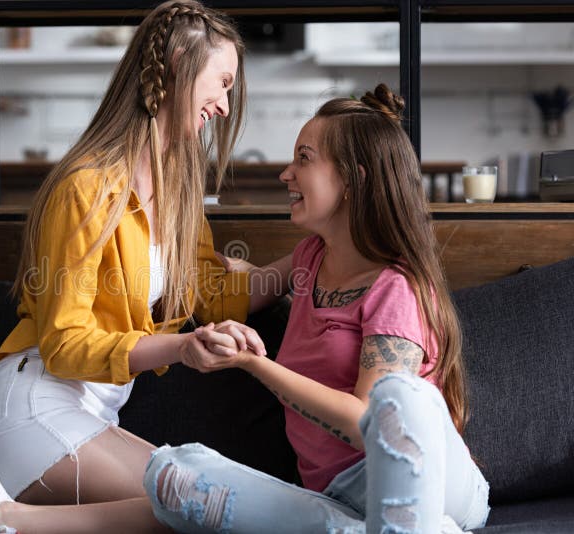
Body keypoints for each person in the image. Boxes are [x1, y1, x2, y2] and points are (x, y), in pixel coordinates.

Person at [0, 1, 292, 533]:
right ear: (179, 61)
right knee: (204, 503)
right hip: (33, 409)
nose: (225, 105)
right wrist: (181, 347)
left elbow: (214, 294)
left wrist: (304, 262)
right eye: (221, 82)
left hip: (87, 418)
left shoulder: (179, 194)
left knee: (202, 509)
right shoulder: (86, 189)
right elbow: (65, 345)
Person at [141, 84, 491, 533]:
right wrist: (167, 263)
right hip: (337, 496)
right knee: (173, 477)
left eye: (303, 159)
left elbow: (368, 422)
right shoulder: (310, 258)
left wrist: (254, 364)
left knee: (400, 398)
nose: (287, 174)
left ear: (354, 179)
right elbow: (246, 283)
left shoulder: (396, 288)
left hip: (430, 477)